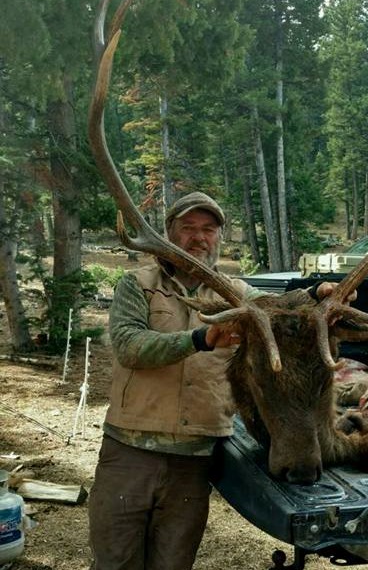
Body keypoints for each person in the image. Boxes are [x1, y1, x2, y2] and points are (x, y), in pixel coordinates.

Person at [88, 191, 339, 570]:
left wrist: (316, 293)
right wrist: (199, 339)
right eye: (188, 228)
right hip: (131, 452)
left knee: (173, 563)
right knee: (116, 561)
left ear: (218, 238)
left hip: (195, 460)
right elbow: (129, 347)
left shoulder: (235, 294)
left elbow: (280, 307)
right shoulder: (137, 284)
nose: (198, 237)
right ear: (169, 234)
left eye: (208, 229)